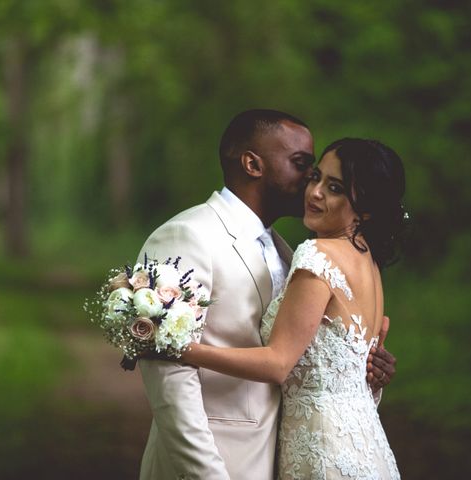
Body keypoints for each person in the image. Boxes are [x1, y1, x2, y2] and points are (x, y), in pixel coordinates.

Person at [137, 110, 397, 480]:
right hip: (219, 462)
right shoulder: (186, 236)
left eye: (326, 179)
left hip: (299, 457)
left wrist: (365, 372)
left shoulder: (291, 251)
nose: (311, 180)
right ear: (252, 164)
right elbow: (170, 379)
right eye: (302, 164)